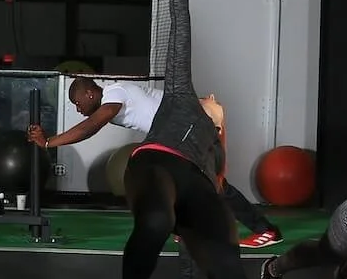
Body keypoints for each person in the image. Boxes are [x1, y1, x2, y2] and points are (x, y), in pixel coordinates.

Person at [108, 0, 334, 279]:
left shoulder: (213, 155)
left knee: (224, 256)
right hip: (154, 164)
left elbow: (210, 208)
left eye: (217, 104)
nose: (213, 98)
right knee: (156, 220)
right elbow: (180, 34)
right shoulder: (181, 100)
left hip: (193, 182)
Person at [33, 75, 283, 248]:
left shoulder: (114, 93)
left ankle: (266, 231)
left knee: (214, 184)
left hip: (195, 125)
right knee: (173, 177)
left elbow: (90, 126)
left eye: (78, 103)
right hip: (182, 130)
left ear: (90, 93)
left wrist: (48, 142)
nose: (78, 109)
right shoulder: (113, 97)